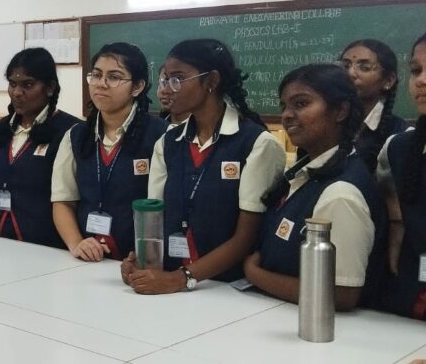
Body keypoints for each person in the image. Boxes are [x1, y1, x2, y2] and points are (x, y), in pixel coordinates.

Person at [122, 39, 285, 294]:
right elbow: (155, 217)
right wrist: (142, 260)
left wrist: (181, 278)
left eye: (177, 79)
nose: (167, 89)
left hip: (225, 289)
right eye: (165, 80)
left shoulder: (257, 143)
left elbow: (246, 238)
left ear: (211, 81)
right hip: (171, 278)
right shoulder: (168, 142)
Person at [244, 63, 385, 310]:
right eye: (284, 106)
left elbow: (341, 294)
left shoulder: (340, 193)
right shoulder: (306, 173)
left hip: (326, 328)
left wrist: (253, 273)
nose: (287, 115)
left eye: (301, 104)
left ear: (340, 111)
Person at [52, 43, 165, 258]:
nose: (101, 84)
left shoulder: (161, 135)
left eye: (114, 77)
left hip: (138, 260)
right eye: (96, 75)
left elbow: (161, 209)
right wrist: (77, 243)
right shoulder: (76, 136)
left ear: (137, 87)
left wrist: (146, 260)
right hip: (87, 259)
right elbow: (63, 200)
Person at [0, 48, 80, 247]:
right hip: (1, 238)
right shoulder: (3, 128)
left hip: (48, 244)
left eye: (28, 85)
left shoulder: (70, 130)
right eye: (12, 84)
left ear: (49, 87)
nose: (17, 93)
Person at [376, 31, 426, 321]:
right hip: (410, 296)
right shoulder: (399, 147)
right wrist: (396, 230)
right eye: (416, 71)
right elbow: (394, 202)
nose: (421, 81)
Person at [338, 39, 408, 172]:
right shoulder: (327, 125)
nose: (350, 73)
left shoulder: (400, 135)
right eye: (345, 66)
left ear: (388, 81)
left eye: (364, 67)